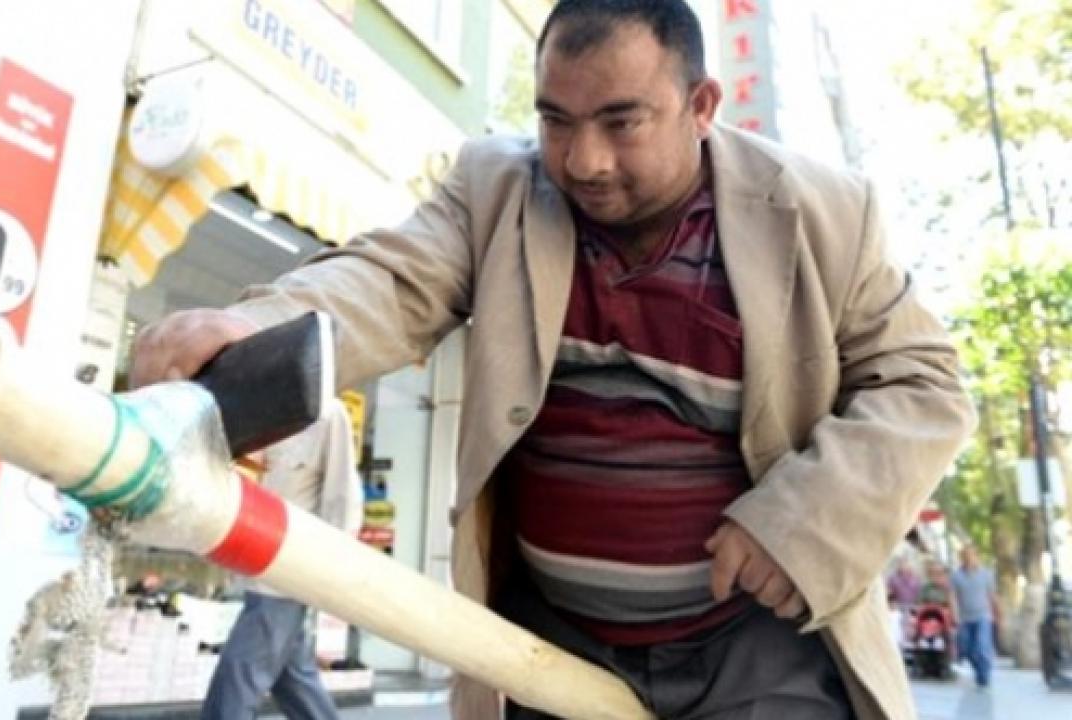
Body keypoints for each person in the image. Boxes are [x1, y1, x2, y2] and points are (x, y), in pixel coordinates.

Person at [130, 1, 975, 717]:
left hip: (754, 646)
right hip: (549, 648)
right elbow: (389, 281)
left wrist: (806, 520)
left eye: (621, 121)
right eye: (555, 120)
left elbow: (925, 385)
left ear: (702, 104)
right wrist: (257, 326)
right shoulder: (494, 187)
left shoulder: (824, 212)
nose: (583, 161)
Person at [201, 398, 363, 719]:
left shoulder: (327, 413)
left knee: (237, 676)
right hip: (253, 562)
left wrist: (334, 571)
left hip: (289, 570)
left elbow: (342, 495)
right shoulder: (259, 404)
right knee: (294, 679)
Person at [951, 546, 999, 689]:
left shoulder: (986, 574)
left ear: (977, 557)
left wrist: (997, 613)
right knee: (966, 648)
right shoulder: (956, 576)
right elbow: (952, 597)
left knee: (982, 647)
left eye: (971, 556)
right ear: (962, 558)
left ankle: (984, 676)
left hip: (983, 616)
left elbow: (992, 595)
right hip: (965, 618)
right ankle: (979, 670)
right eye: (965, 556)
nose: (969, 559)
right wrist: (955, 614)